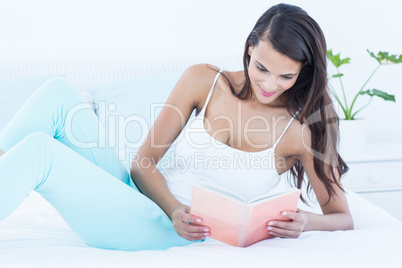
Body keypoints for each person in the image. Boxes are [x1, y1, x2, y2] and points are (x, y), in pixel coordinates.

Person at [0, 3, 353, 251]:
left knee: (39, 152)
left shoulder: (302, 130)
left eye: (286, 76)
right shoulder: (204, 80)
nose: (269, 84)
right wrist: (172, 207)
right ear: (249, 48)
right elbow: (144, 163)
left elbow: (341, 217)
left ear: (303, 72)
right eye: (261, 67)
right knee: (58, 93)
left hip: (168, 233)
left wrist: (306, 221)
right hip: (145, 203)